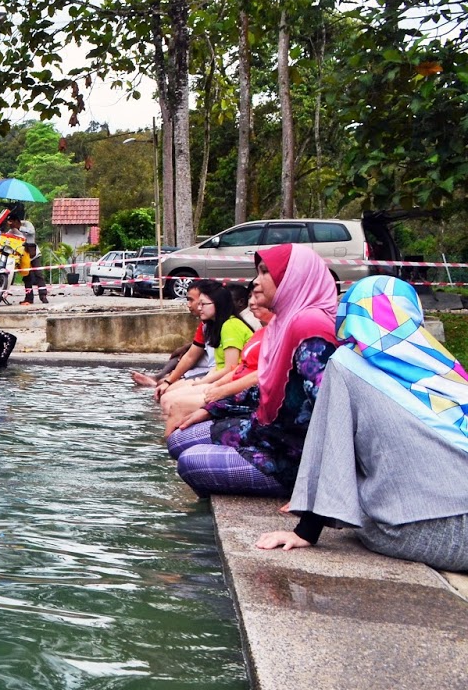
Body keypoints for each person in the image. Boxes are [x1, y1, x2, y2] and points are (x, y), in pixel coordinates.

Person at [255, 276, 468, 572]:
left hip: (429, 533)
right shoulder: (442, 364)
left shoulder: (346, 363)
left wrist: (305, 531)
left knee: (366, 509)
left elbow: (331, 446)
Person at [167, 243, 338, 497]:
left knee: (190, 461)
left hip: (289, 455)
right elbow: (264, 387)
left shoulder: (310, 327)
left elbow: (329, 413)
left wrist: (313, 498)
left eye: (265, 272)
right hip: (266, 432)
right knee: (179, 439)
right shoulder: (285, 323)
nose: (255, 283)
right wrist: (211, 409)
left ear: (293, 278)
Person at [159, 280, 254, 434]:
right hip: (222, 378)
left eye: (203, 304)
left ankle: (174, 441)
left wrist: (204, 383)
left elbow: (231, 368)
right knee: (167, 397)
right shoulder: (218, 326)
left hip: (233, 383)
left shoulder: (230, 326)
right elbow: (219, 365)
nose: (199, 308)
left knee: (171, 401)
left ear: (217, 304)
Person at [129, 281, 212, 392]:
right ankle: (159, 379)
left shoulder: (227, 326)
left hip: (212, 373)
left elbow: (225, 367)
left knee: (166, 389)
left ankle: (159, 381)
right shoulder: (205, 325)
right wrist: (170, 380)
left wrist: (171, 381)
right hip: (207, 372)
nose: (189, 305)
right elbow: (190, 355)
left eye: (192, 300)